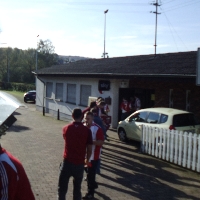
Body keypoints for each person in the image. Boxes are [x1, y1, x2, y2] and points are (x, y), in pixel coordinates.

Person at [58, 108, 93, 200]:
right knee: (77, 190)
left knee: (62, 189)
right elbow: (89, 148)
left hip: (67, 162)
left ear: (72, 116)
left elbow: (65, 138)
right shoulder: (87, 131)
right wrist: (87, 160)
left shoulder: (66, 128)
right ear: (82, 117)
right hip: (79, 163)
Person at [83, 111, 104, 199]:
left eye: (88, 118)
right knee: (86, 171)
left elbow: (101, 142)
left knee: (90, 175)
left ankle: (90, 193)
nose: (86, 120)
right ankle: (93, 184)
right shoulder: (82, 126)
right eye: (85, 118)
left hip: (93, 156)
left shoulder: (97, 128)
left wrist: (90, 142)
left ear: (92, 118)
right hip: (84, 156)